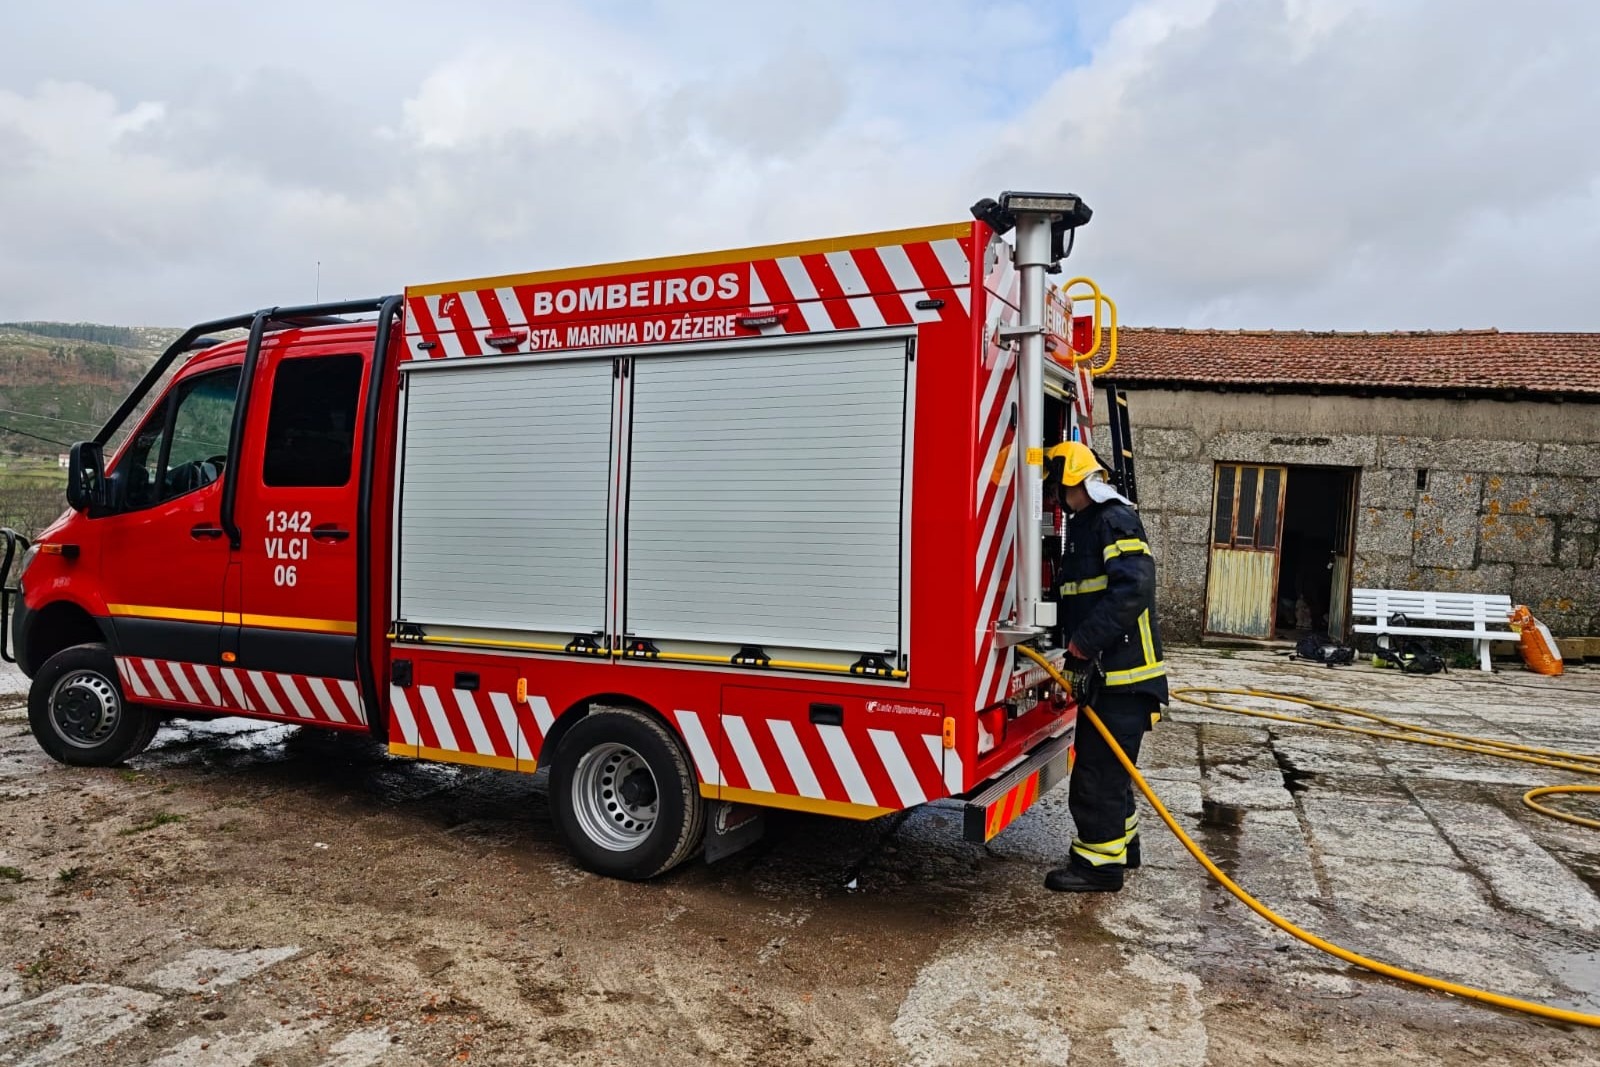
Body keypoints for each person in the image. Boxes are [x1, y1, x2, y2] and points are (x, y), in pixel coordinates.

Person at [1041, 441, 1168, 893]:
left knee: (1095, 775)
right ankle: (1123, 846)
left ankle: (1098, 867)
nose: (1054, 498)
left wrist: (1082, 643)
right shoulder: (1088, 524)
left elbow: (1133, 587)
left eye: (1056, 487)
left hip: (1125, 679)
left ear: (1071, 481)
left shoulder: (1113, 519)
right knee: (1112, 772)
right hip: (1113, 678)